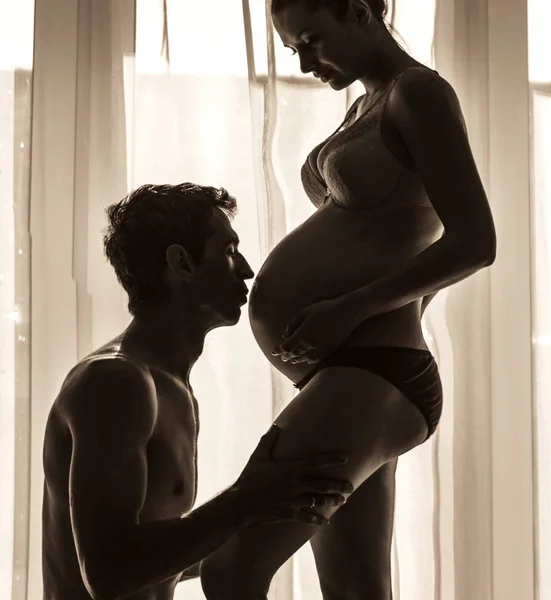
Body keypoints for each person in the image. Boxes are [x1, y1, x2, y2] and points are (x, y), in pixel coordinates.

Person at [199, 0, 497, 598]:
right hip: (351, 375)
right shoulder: (367, 103)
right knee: (356, 591)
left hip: (374, 372)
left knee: (231, 569)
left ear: (359, 12)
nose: (306, 61)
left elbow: (474, 242)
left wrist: (353, 308)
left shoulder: (419, 94)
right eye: (293, 50)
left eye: (313, 39)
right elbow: (402, 247)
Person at [41, 183, 355, 600]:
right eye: (228, 250)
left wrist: (270, 522)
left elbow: (153, 564)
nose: (246, 268)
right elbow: (108, 573)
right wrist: (243, 503)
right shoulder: (116, 382)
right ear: (182, 263)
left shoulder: (171, 387)